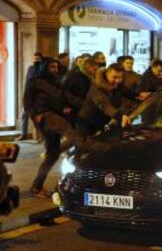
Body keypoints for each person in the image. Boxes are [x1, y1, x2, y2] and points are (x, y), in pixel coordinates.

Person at [24, 58, 81, 198]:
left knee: (52, 155)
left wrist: (65, 107)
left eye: (56, 67)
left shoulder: (56, 81)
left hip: (54, 115)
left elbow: (61, 98)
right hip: (46, 116)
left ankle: (37, 186)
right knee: (74, 137)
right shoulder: (35, 81)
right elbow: (27, 100)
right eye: (52, 67)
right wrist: (34, 113)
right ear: (45, 68)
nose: (55, 70)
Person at [77, 63, 131, 138]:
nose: (117, 80)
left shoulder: (117, 86)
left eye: (120, 77)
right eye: (114, 77)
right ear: (107, 74)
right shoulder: (96, 88)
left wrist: (139, 95)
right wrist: (120, 116)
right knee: (85, 147)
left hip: (102, 122)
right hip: (87, 123)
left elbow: (128, 93)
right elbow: (104, 106)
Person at [17, 52, 43, 140]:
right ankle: (24, 134)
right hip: (29, 95)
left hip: (37, 97)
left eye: (38, 59)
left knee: (36, 117)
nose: (36, 60)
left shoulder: (42, 69)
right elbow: (27, 81)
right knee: (24, 115)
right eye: (34, 58)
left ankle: (42, 135)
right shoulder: (30, 68)